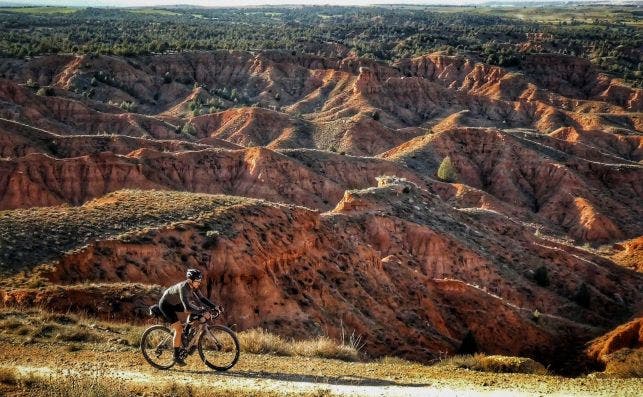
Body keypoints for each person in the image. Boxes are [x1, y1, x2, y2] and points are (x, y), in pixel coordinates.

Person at [158, 268, 217, 366]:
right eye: (197, 281)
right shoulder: (183, 287)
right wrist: (202, 311)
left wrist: (214, 307)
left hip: (176, 303)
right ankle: (176, 356)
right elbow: (187, 308)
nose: (198, 283)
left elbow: (202, 298)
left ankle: (186, 334)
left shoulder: (194, 286)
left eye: (199, 281)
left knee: (195, 311)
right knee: (178, 328)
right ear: (190, 280)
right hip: (166, 305)